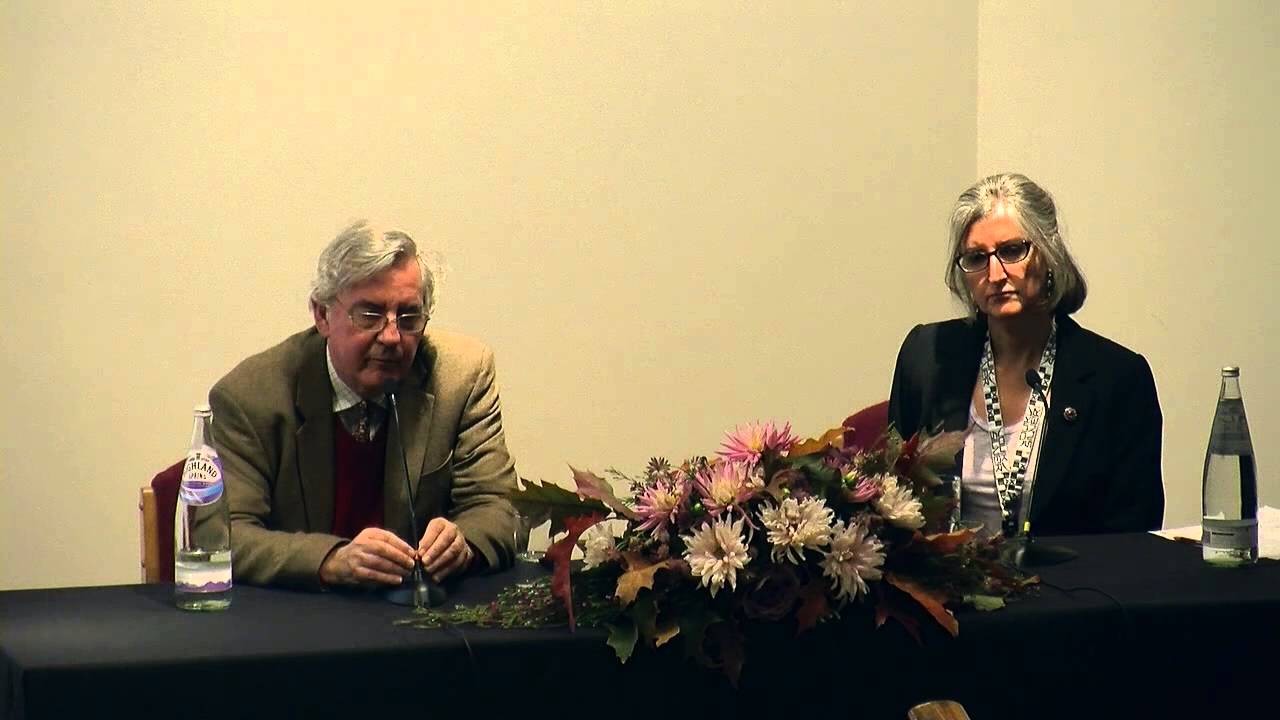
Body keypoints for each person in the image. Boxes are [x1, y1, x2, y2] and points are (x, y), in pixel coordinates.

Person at [209, 220, 519, 589]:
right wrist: (330, 560)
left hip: (422, 609)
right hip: (300, 613)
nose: (392, 337)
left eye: (409, 317)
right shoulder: (251, 395)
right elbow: (224, 536)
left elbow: (499, 506)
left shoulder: (462, 376)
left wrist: (463, 543)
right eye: (369, 315)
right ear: (322, 314)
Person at [888, 173, 1163, 536]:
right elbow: (893, 502)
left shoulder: (1118, 379)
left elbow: (1133, 535)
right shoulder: (926, 356)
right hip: (947, 573)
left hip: (1075, 573)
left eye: (1011, 251)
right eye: (976, 257)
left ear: (1049, 255)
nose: (995, 274)